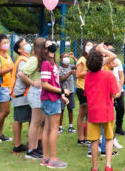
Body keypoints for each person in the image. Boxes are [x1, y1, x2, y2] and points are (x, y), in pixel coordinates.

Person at [85, 45, 119, 171]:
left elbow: (87, 93)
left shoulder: (88, 76)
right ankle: (108, 166)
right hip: (107, 111)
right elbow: (114, 93)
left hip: (93, 112)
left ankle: (94, 167)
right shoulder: (109, 75)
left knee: (94, 140)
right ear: (102, 62)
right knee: (109, 138)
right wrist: (103, 50)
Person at [39, 40, 69, 168]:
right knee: (53, 129)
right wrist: (61, 91)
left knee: (47, 128)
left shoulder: (52, 63)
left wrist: (61, 95)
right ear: (45, 50)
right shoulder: (46, 63)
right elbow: (45, 84)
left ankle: (45, 158)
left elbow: (53, 83)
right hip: (50, 100)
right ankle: (53, 159)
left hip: (52, 98)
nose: (51, 45)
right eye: (48, 45)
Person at [19, 37, 46, 159]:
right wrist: (32, 82)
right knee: (35, 123)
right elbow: (22, 73)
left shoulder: (40, 59)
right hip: (36, 93)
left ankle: (34, 148)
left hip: (40, 93)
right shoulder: (34, 60)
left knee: (38, 123)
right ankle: (31, 150)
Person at [11, 38, 33, 152]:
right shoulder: (23, 61)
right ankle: (18, 145)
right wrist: (33, 83)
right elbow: (24, 77)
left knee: (26, 119)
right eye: (24, 44)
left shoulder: (25, 59)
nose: (27, 45)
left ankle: (27, 143)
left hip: (22, 93)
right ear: (19, 50)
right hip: (22, 94)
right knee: (20, 120)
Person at [104, 44, 125, 149]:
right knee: (108, 117)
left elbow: (121, 77)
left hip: (117, 91)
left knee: (120, 110)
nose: (115, 63)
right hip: (108, 94)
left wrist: (119, 89)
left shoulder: (115, 64)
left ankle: (114, 135)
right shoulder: (104, 66)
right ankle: (110, 139)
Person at [76, 41, 94, 146]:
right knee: (83, 113)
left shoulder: (91, 59)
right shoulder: (82, 59)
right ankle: (81, 138)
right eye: (88, 45)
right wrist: (89, 72)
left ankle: (87, 137)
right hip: (82, 89)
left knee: (88, 113)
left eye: (91, 45)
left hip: (90, 89)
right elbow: (78, 74)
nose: (90, 47)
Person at [58, 52, 77, 134]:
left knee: (70, 109)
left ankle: (70, 126)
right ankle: (60, 127)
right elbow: (61, 79)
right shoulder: (59, 69)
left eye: (67, 57)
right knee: (61, 110)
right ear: (61, 60)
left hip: (71, 91)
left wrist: (73, 58)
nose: (67, 58)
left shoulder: (70, 66)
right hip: (62, 92)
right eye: (65, 57)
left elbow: (80, 65)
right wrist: (70, 73)